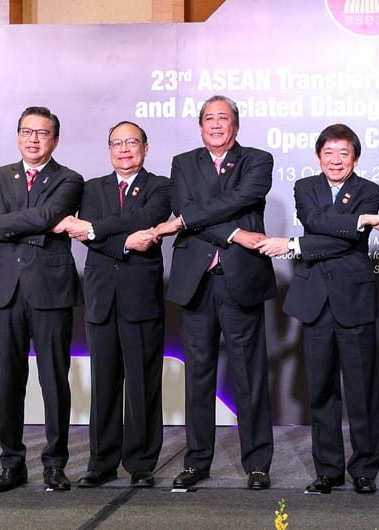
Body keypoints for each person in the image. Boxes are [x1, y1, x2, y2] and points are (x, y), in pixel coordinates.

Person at [150, 95, 276, 490]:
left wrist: (187, 220)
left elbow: (240, 199)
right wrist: (236, 232)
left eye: (224, 118)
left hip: (241, 278)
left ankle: (258, 463)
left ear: (235, 125)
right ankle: (196, 461)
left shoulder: (257, 160)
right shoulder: (183, 163)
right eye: (209, 118)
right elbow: (185, 206)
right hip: (197, 281)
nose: (217, 124)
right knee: (198, 375)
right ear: (200, 126)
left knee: (249, 375)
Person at [255, 124, 379, 495]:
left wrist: (294, 245)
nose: (336, 160)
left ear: (355, 157)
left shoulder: (370, 190)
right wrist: (355, 221)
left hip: (353, 301)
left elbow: (349, 239)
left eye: (344, 153)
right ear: (318, 156)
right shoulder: (305, 187)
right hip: (315, 302)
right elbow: (317, 223)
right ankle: (328, 470)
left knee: (361, 390)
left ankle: (365, 470)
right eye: (329, 152)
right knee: (321, 389)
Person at [0, 106, 84, 492]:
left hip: (50, 288)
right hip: (4, 290)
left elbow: (47, 215)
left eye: (42, 133)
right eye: (27, 132)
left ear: (55, 140)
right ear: (18, 136)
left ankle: (54, 464)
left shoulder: (70, 178)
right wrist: (12, 223)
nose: (33, 139)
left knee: (54, 380)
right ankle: (11, 463)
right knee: (9, 380)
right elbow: (9, 227)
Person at [56, 121, 171, 489]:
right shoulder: (92, 188)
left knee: (142, 384)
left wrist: (94, 228)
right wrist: (122, 242)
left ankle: (141, 464)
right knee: (103, 383)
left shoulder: (161, 186)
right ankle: (101, 462)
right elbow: (87, 235)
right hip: (101, 297)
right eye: (117, 143)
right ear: (109, 150)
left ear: (145, 148)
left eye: (131, 142)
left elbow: (145, 220)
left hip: (141, 297)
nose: (124, 149)